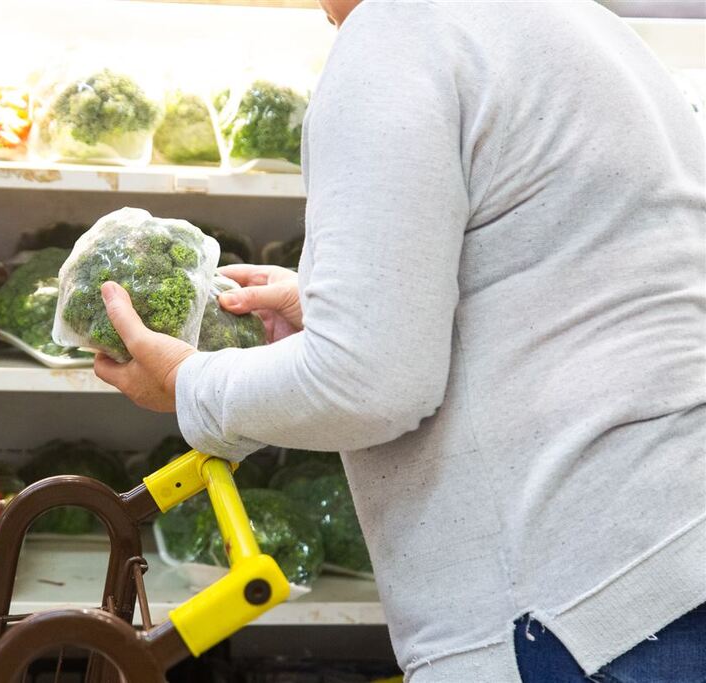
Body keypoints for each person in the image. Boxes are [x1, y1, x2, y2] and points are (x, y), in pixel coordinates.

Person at [93, 1, 706, 681]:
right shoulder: (585, 24)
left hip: (569, 620)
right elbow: (562, 273)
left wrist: (187, 383)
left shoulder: (396, 32)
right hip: (667, 569)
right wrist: (335, 306)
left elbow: (366, 384)